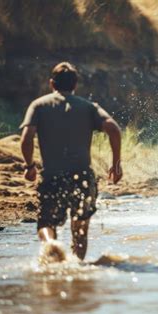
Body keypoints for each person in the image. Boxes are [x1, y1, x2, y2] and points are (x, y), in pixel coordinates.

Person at [20, 62, 122, 261]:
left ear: (52, 84)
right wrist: (116, 163)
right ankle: (77, 268)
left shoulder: (39, 105)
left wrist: (30, 166)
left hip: (52, 176)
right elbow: (113, 128)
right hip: (82, 176)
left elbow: (26, 137)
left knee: (46, 223)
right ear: (75, 84)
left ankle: (51, 245)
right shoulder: (88, 106)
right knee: (81, 227)